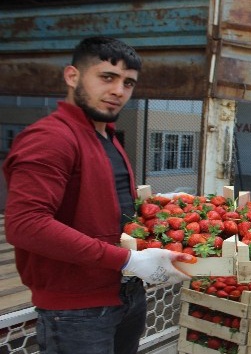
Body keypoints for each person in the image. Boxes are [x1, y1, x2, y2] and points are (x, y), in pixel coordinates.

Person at [3, 36, 192, 354]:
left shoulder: (106, 136)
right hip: (77, 310)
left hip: (126, 294)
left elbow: (100, 205)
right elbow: (25, 224)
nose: (119, 91)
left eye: (128, 83)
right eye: (107, 77)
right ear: (72, 76)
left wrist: (158, 206)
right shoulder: (51, 138)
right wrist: (128, 259)